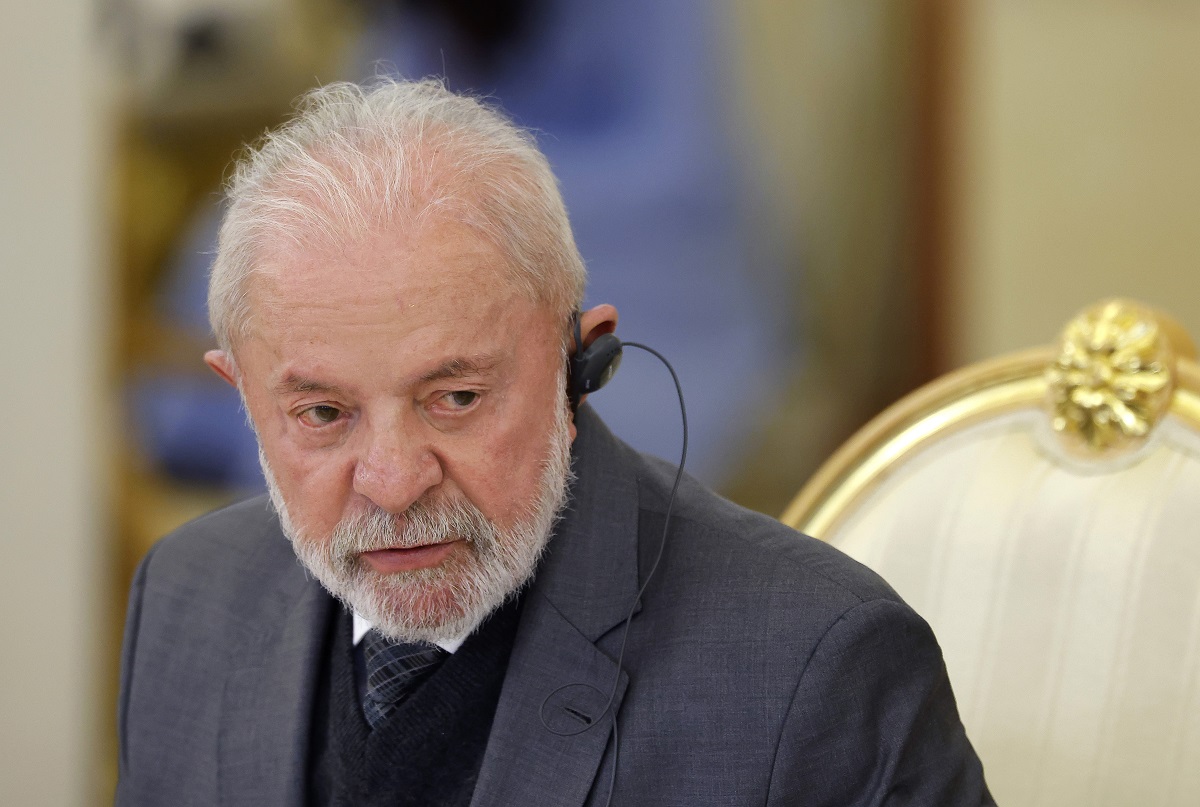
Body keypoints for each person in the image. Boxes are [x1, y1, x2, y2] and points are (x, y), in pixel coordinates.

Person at [115, 78, 993, 806]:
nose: (393, 481)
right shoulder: (187, 598)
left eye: (456, 398)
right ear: (242, 393)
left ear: (578, 363)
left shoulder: (814, 669)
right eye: (321, 415)